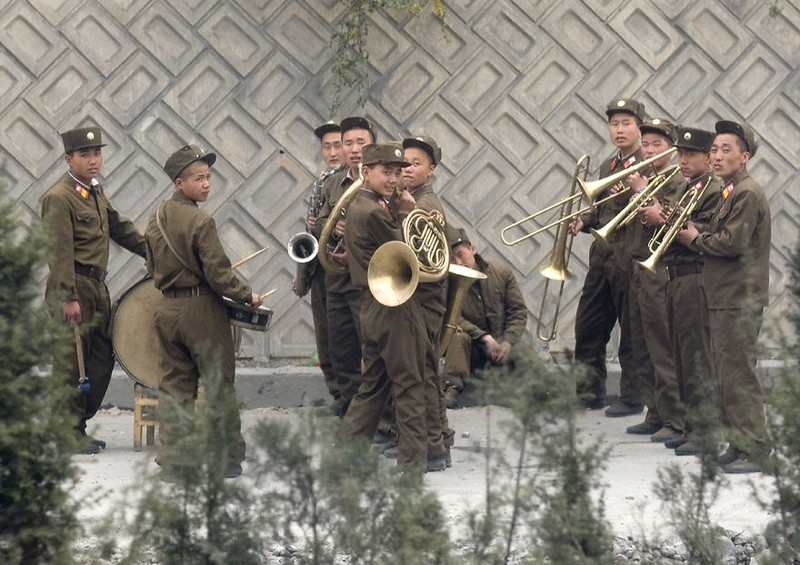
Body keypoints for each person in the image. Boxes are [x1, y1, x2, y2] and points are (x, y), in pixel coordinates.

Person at [145, 144, 263, 479]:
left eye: (208, 177)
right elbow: (219, 274)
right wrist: (247, 296)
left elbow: (151, 266)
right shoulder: (201, 220)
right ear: (179, 184)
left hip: (168, 309)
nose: (207, 184)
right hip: (201, 310)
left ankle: (175, 462)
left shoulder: (155, 218)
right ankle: (226, 457)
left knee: (175, 388)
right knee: (218, 384)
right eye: (199, 178)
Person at [41, 126, 146, 454]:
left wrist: (153, 250)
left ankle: (76, 424)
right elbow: (58, 252)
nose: (93, 160)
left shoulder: (94, 191)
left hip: (98, 286)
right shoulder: (59, 197)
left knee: (100, 359)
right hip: (74, 287)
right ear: (68, 159)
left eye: (97, 153)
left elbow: (119, 227)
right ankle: (67, 432)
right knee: (71, 363)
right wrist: (68, 297)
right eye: (85, 154)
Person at [676, 120, 771, 474]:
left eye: (725, 150)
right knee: (726, 374)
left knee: (738, 374)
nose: (716, 156)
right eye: (714, 149)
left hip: (738, 298)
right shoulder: (731, 190)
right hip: (724, 296)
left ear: (744, 157)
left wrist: (695, 239)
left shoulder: (746, 193)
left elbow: (732, 243)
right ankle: (738, 443)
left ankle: (755, 448)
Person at [342, 142, 429, 473]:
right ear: (366, 173)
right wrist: (405, 213)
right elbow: (405, 247)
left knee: (373, 386)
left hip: (371, 306)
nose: (394, 179)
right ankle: (413, 467)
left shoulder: (363, 205)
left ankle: (346, 458)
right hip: (392, 308)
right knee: (409, 385)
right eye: (386, 172)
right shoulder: (375, 211)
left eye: (397, 173)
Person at [570, 98, 646, 417]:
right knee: (588, 325)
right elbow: (601, 210)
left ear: (639, 128)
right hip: (602, 256)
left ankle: (632, 397)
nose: (619, 130)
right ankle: (589, 393)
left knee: (631, 329)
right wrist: (584, 220)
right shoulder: (608, 166)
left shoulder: (648, 165)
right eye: (614, 124)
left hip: (630, 256)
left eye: (626, 123)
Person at [648, 126, 718, 452]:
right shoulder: (689, 187)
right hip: (675, 278)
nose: (683, 160)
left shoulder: (712, 191)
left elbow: (699, 233)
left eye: (691, 154)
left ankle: (704, 432)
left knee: (696, 358)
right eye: (680, 154)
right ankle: (690, 426)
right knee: (680, 356)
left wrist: (663, 219)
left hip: (695, 277)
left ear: (707, 157)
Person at [622, 118, 684, 438]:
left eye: (656, 145)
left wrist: (641, 192)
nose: (648, 150)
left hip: (660, 271)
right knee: (641, 344)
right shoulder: (645, 178)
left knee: (662, 344)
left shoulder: (676, 181)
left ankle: (674, 418)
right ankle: (654, 410)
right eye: (645, 144)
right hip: (637, 267)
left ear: (671, 149)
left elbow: (664, 218)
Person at [313, 116, 377, 415]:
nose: (353, 149)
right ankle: (351, 408)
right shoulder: (332, 183)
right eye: (347, 143)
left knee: (371, 347)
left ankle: (376, 413)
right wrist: (332, 225)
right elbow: (320, 222)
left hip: (367, 279)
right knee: (340, 348)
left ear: (372, 145)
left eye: (360, 142)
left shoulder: (380, 179)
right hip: (337, 278)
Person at [398, 135, 450, 468]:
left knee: (424, 371)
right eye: (404, 163)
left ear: (430, 170)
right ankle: (440, 439)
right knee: (425, 368)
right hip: (419, 296)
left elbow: (430, 257)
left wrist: (407, 213)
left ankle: (435, 445)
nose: (407, 169)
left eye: (416, 164)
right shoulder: (411, 199)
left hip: (426, 297)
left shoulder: (426, 204)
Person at [443, 227, 528, 408]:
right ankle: (452, 389)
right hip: (473, 347)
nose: (458, 263)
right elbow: (452, 317)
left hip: (502, 344)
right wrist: (484, 337)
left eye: (461, 255)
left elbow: (518, 311)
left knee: (526, 349)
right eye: (452, 259)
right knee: (457, 336)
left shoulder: (502, 272)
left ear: (473, 249)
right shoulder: (447, 283)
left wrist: (507, 341)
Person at [293, 120, 345, 411]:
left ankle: (349, 397)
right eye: (327, 147)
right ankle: (337, 394)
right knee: (324, 337)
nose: (333, 152)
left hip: (342, 268)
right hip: (320, 269)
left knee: (341, 338)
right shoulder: (324, 180)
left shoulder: (353, 179)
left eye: (338, 145)